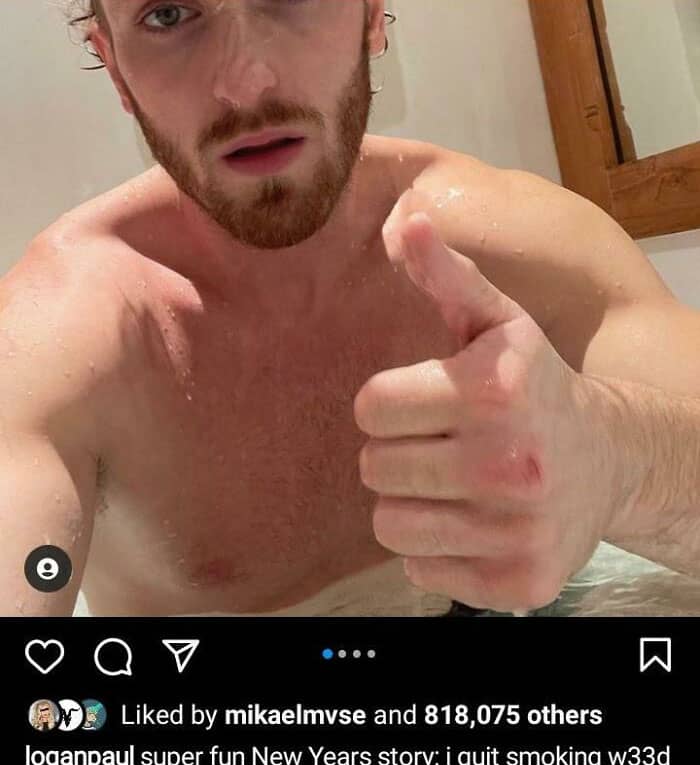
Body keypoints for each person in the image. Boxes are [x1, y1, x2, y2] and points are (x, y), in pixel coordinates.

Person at [1, 0, 699, 618]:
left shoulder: (521, 246)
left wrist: (618, 458)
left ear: (370, 13)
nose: (246, 81)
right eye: (168, 15)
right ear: (116, 69)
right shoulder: (62, 334)